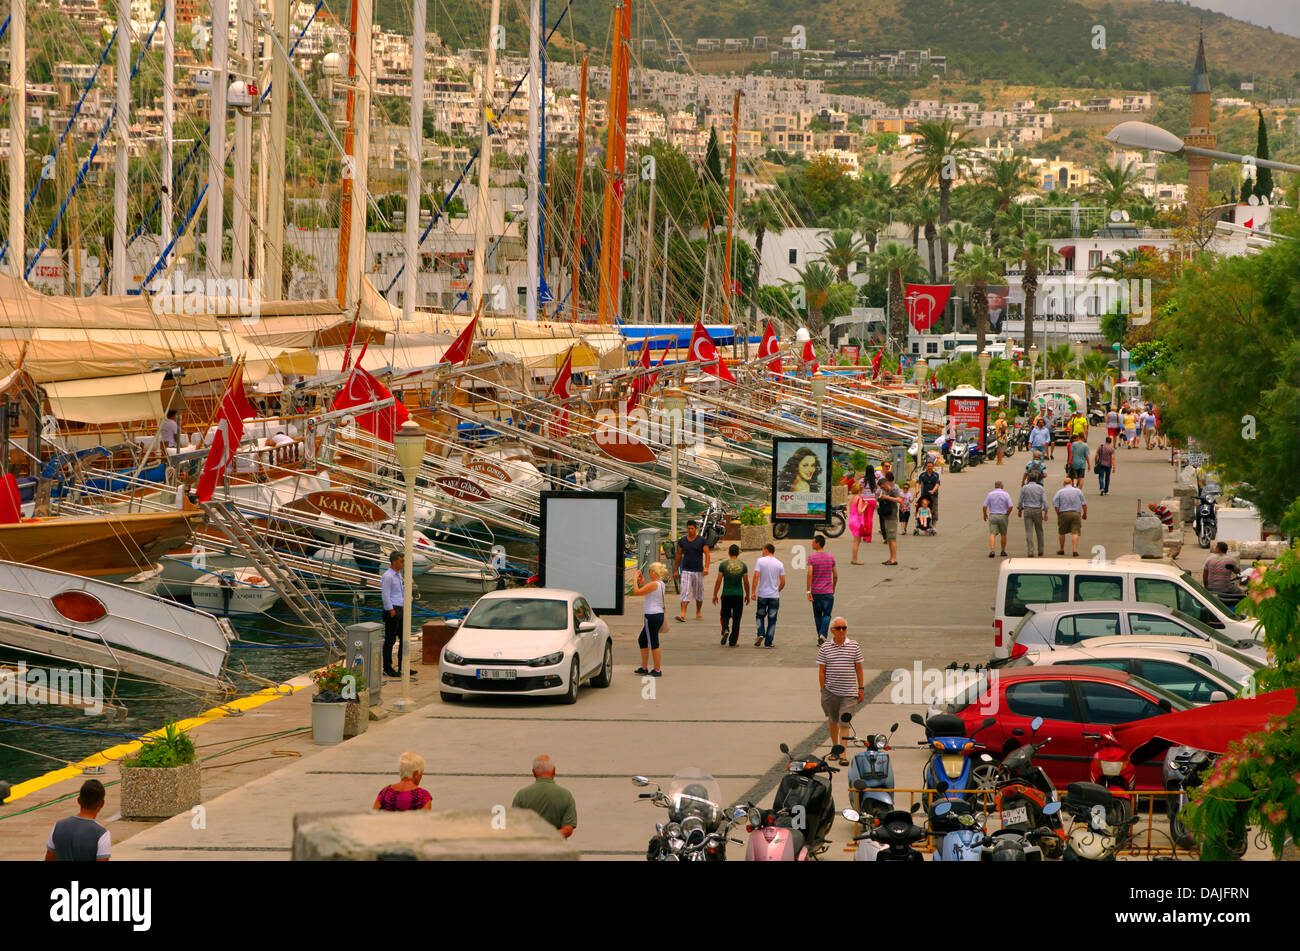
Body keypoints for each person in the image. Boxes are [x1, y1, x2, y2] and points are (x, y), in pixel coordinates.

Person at [817, 618, 864, 766]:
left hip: (849, 692)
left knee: (844, 722)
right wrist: (823, 689)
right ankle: (835, 748)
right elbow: (821, 670)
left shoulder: (854, 645)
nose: (842, 631)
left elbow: (859, 668)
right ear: (832, 630)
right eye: (839, 628)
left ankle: (843, 753)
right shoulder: (825, 647)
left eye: (844, 628)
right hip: (830, 691)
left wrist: (860, 688)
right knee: (833, 721)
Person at [511, 754, 577, 838]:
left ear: (534, 772)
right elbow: (568, 829)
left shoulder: (521, 795)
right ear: (554, 771)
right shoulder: (566, 795)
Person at [45, 779, 110, 861]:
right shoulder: (102, 834)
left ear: (79, 800)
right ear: (102, 804)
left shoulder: (58, 826)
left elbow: (49, 858)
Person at [632, 563, 668, 676]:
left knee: (653, 642)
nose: (649, 574)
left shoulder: (653, 584)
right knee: (642, 640)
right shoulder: (660, 584)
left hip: (651, 615)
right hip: (657, 614)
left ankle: (657, 669)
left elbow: (637, 592)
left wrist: (634, 579)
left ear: (653, 572)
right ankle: (644, 667)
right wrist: (642, 582)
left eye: (649, 572)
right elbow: (647, 592)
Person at [712, 544, 750, 647]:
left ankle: (725, 629)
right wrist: (747, 595)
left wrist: (715, 594)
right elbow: (746, 582)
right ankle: (733, 641)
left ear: (728, 553)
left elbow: (719, 580)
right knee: (737, 618)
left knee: (724, 615)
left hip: (726, 594)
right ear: (738, 553)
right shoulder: (743, 566)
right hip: (738, 595)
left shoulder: (723, 565)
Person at [751, 543, 786, 648]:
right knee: (772, 619)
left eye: (762, 550)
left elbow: (756, 577)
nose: (762, 552)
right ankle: (769, 643)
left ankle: (761, 633)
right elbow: (783, 582)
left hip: (762, 595)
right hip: (774, 596)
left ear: (766, 550)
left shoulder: (760, 561)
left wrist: (753, 592)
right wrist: (776, 590)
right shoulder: (779, 564)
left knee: (759, 616)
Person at [674, 520, 710, 622]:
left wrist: (706, 567)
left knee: (699, 593)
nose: (690, 530)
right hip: (685, 570)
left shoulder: (701, 540)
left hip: (698, 570)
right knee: (685, 591)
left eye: (692, 529)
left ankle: (698, 611)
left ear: (696, 529)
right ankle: (683, 614)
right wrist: (676, 570)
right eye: (688, 528)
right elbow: (678, 555)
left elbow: (707, 554)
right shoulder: (682, 541)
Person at [806, 534, 838, 645]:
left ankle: (820, 636)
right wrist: (833, 587)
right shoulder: (831, 557)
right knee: (827, 614)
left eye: (813, 542)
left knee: (817, 615)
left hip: (816, 592)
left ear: (818, 543)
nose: (811, 543)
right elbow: (835, 575)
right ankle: (823, 635)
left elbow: (809, 574)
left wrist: (808, 591)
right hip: (828, 592)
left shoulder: (811, 558)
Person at [381, 551, 407, 677]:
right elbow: (385, 594)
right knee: (390, 640)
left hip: (400, 608)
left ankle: (403, 666)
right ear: (395, 561)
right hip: (393, 609)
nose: (403, 563)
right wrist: (391, 610)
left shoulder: (398, 575)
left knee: (404, 638)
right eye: (401, 561)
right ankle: (387, 667)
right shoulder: (388, 576)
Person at [874, 474, 906, 566]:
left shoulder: (893, 489)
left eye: (882, 487)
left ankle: (894, 559)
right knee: (889, 539)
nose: (882, 489)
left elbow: (900, 500)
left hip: (892, 517)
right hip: (886, 516)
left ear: (885, 484)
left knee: (892, 539)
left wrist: (887, 497)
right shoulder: (885, 491)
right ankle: (891, 557)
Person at [1052, 477, 1087, 556]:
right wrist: (1085, 514)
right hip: (1076, 513)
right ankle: (1074, 550)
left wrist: (1059, 514)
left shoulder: (1059, 492)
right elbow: (1084, 504)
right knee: (1075, 532)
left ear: (1064, 484)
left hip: (1063, 513)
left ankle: (1062, 549)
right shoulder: (1078, 491)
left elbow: (1056, 505)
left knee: (1062, 532)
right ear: (1071, 483)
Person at [1017, 470, 1048, 557]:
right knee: (1039, 531)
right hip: (1037, 510)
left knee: (1029, 531)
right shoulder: (1040, 488)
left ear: (1028, 478)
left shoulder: (1024, 488)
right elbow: (1044, 501)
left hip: (1027, 510)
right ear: (1037, 479)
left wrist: (1020, 509)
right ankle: (1040, 550)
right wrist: (1046, 512)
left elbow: (1020, 500)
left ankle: (1030, 551)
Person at [983, 480, 1014, 558]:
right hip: (1003, 515)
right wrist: (1007, 513)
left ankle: (992, 550)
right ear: (1002, 486)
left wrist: (985, 514)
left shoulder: (990, 494)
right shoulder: (1006, 494)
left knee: (992, 533)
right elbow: (1010, 506)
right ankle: (1003, 551)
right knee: (1003, 534)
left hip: (993, 515)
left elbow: (984, 506)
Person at [849, 480, 876, 564]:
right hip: (857, 521)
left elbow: (851, 510)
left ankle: (854, 558)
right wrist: (866, 506)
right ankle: (854, 559)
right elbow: (860, 511)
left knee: (857, 540)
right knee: (856, 541)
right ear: (859, 490)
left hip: (851, 520)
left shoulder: (851, 498)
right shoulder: (859, 499)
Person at [917, 460, 941, 529]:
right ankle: (923, 524)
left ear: (933, 467)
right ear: (926, 467)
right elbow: (918, 482)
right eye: (928, 466)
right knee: (923, 510)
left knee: (934, 511)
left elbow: (937, 484)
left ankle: (934, 526)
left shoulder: (936, 475)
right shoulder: (922, 475)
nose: (929, 467)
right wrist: (916, 490)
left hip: (934, 496)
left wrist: (933, 490)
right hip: (924, 496)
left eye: (931, 466)